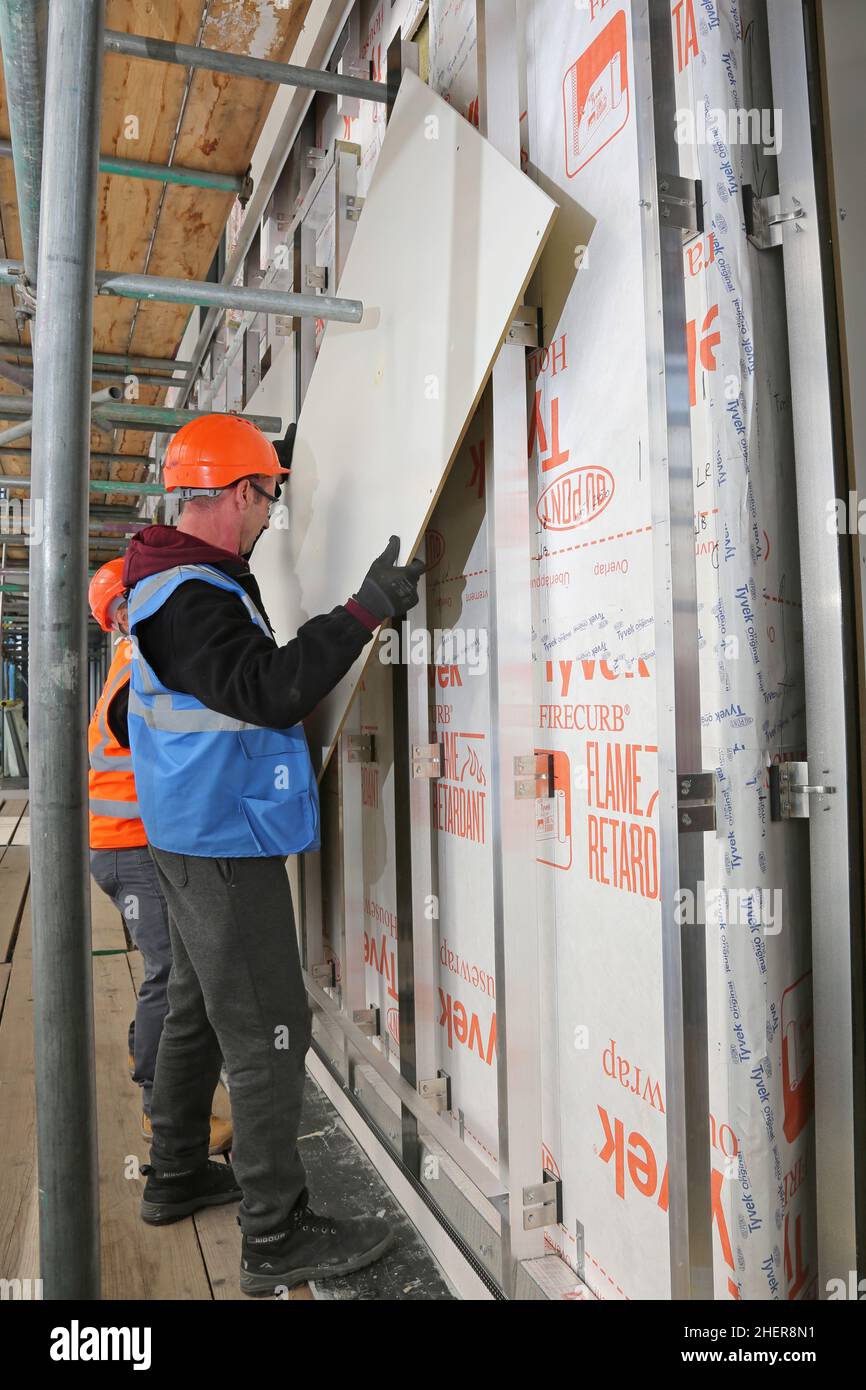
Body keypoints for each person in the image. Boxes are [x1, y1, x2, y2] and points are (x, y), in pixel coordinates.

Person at [122, 414, 425, 1296]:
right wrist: (364, 610)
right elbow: (268, 688)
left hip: (187, 831)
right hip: (220, 841)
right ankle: (275, 1234)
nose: (267, 517)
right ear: (230, 494)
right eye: (264, 496)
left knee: (198, 1010)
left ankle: (175, 1175)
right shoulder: (191, 594)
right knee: (269, 1033)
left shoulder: (176, 581)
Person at [87, 558, 233, 1154]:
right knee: (169, 973)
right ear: (123, 613)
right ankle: (160, 1109)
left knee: (168, 970)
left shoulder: (135, 656)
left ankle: (142, 1048)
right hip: (129, 851)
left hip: (127, 846)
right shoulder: (141, 659)